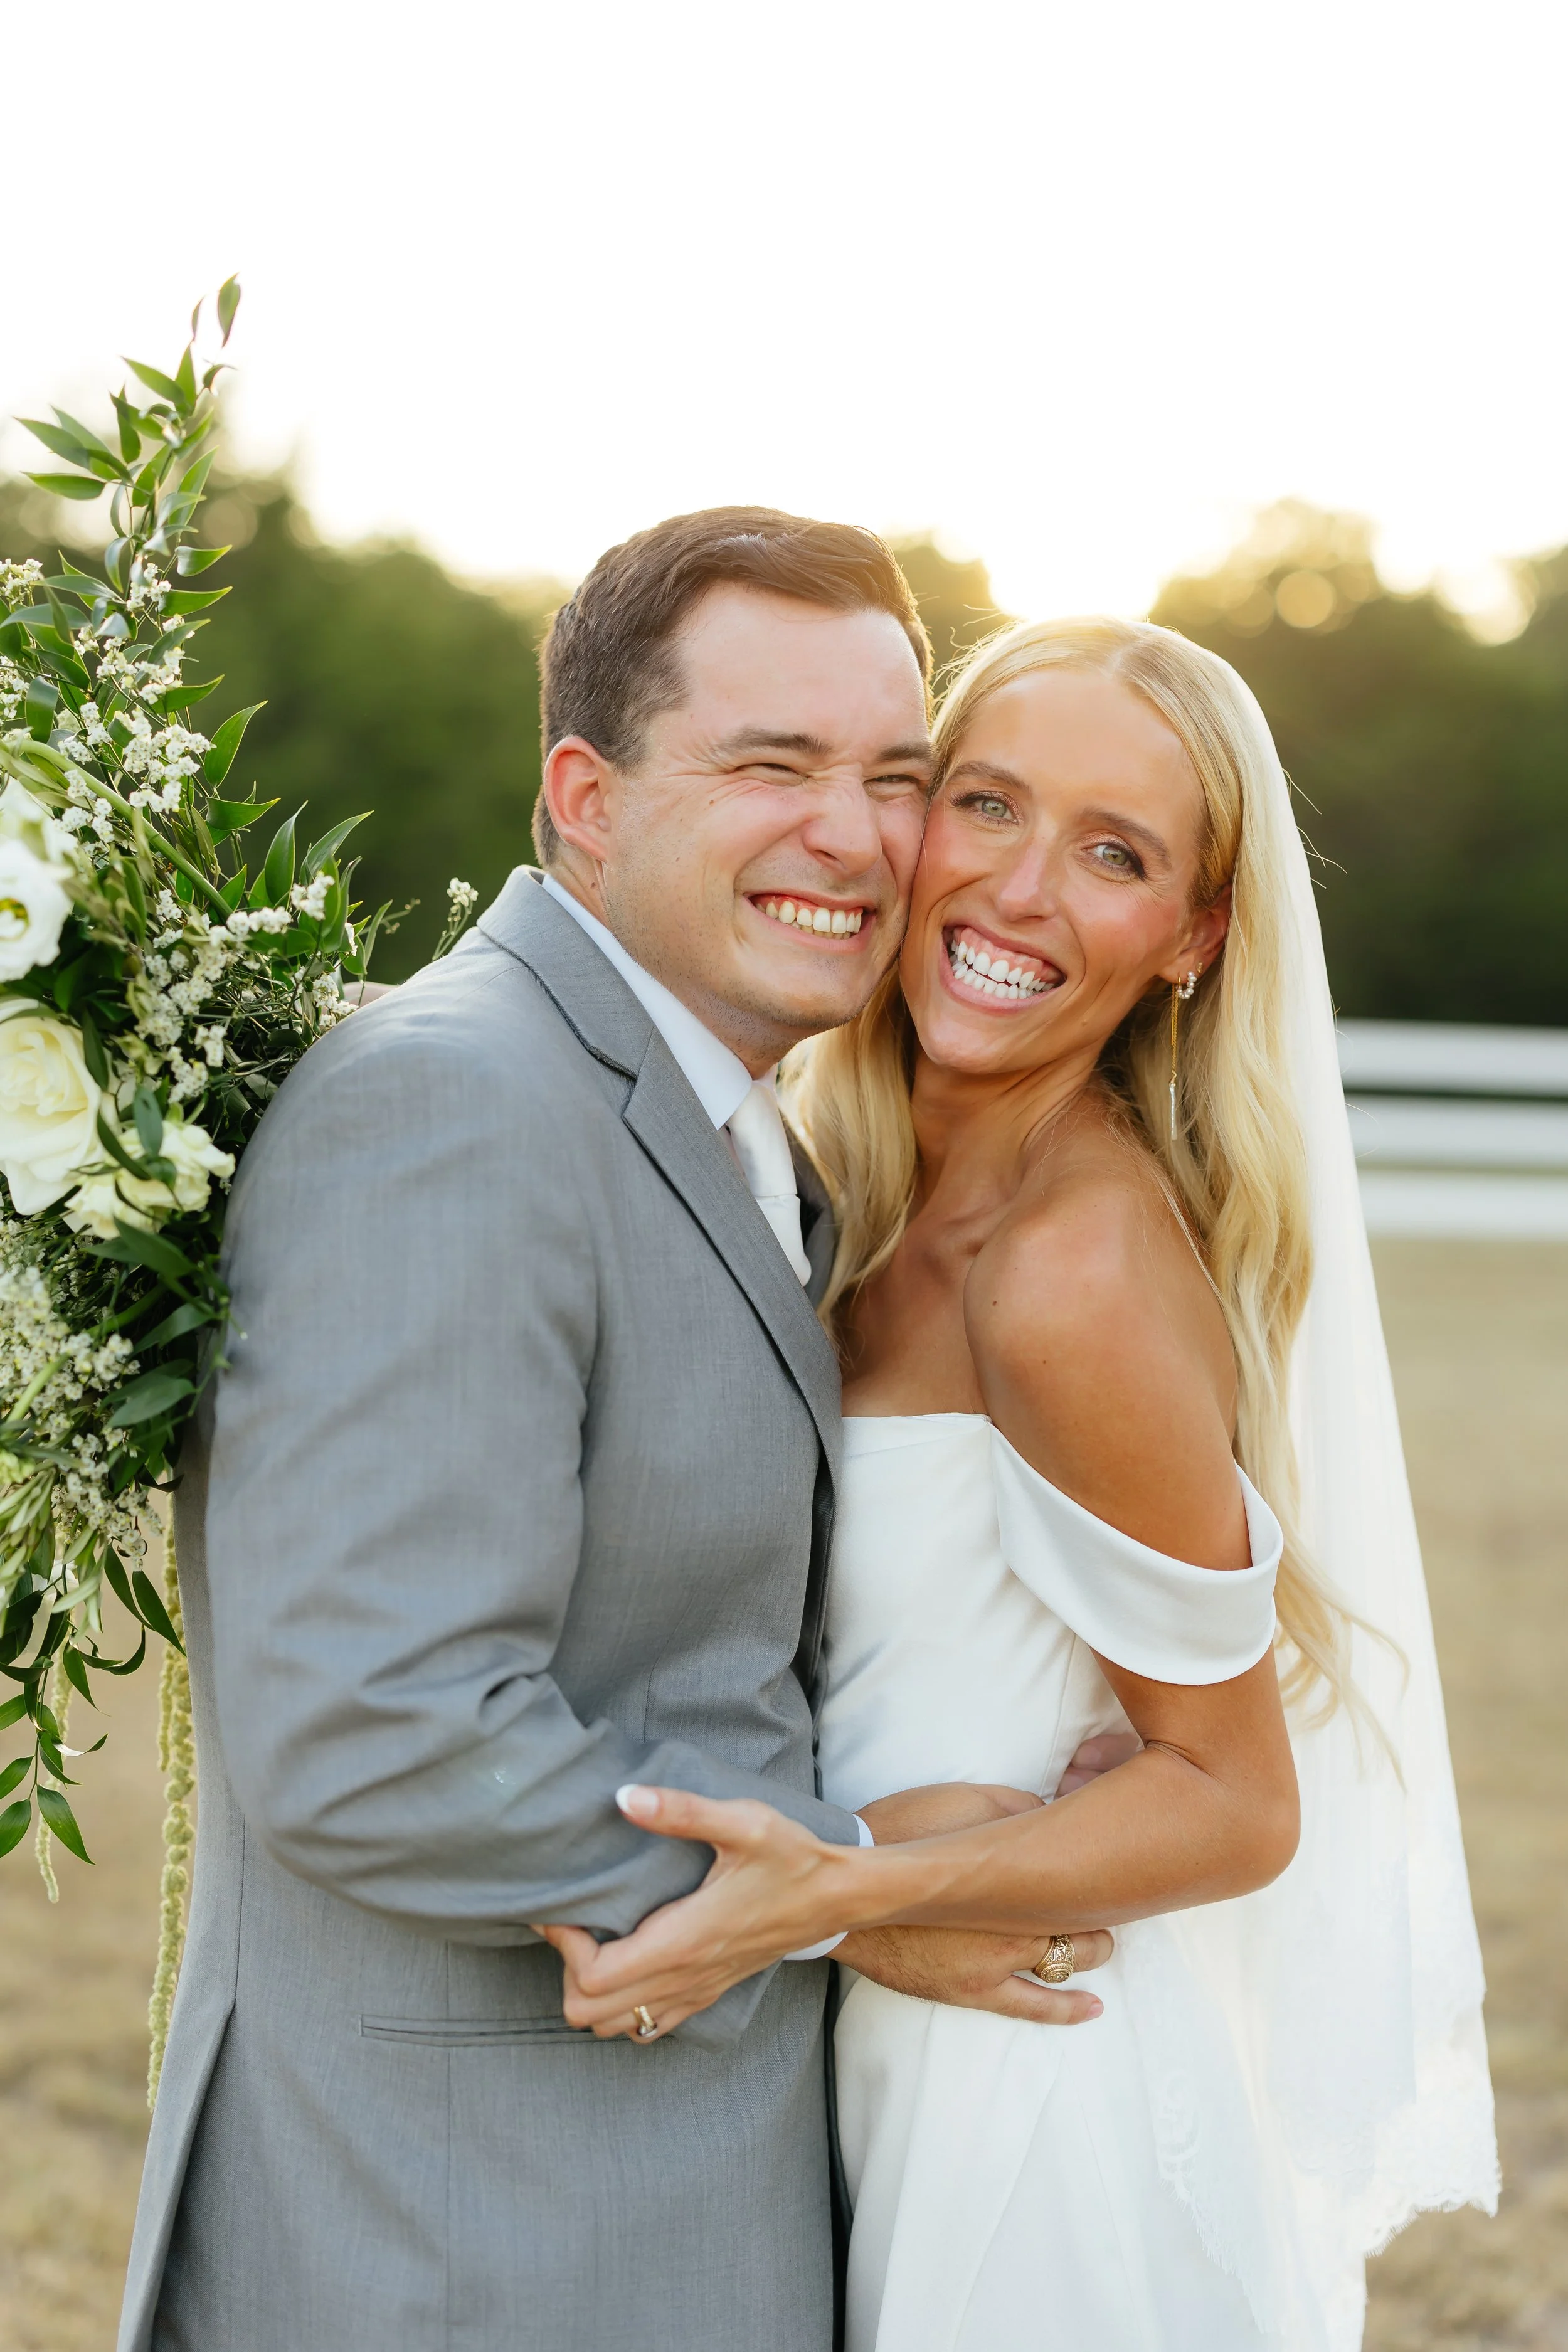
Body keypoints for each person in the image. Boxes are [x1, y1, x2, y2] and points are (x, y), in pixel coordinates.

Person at [117, 510, 1108, 2352]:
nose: (858, 834)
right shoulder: (452, 1105)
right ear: (584, 794)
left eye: (897, 773)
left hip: (643, 2204)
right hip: (454, 2235)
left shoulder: (745, 1135)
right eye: (771, 764)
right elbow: (366, 1720)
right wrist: (845, 1897)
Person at [545, 618, 1501, 2348]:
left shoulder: (1070, 1269)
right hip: (877, 2054)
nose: (1019, 891)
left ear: (1193, 937)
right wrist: (852, 1920)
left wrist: (842, 1896)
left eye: (1115, 853)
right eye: (986, 803)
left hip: (1034, 2104)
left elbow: (1229, 1799)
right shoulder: (844, 1192)